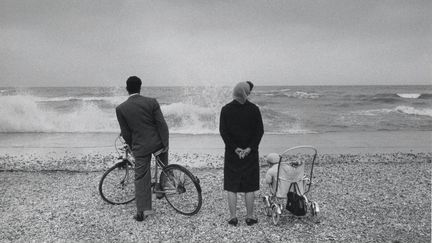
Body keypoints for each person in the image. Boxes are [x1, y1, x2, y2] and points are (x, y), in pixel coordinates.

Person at [116, 76, 169, 222]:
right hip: (157, 143)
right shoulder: (151, 102)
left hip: (140, 146)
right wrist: (165, 143)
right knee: (165, 166)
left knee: (141, 177)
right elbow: (161, 125)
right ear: (140, 87)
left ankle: (143, 211)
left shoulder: (121, 109)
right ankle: (162, 188)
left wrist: (133, 146)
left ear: (127, 89)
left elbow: (126, 133)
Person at [219, 81, 264, 226]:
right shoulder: (254, 109)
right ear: (246, 92)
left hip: (233, 153)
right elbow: (259, 132)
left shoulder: (225, 109)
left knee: (232, 185)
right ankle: (250, 217)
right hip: (250, 153)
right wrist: (249, 148)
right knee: (249, 186)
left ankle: (233, 217)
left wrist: (235, 148)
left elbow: (224, 132)